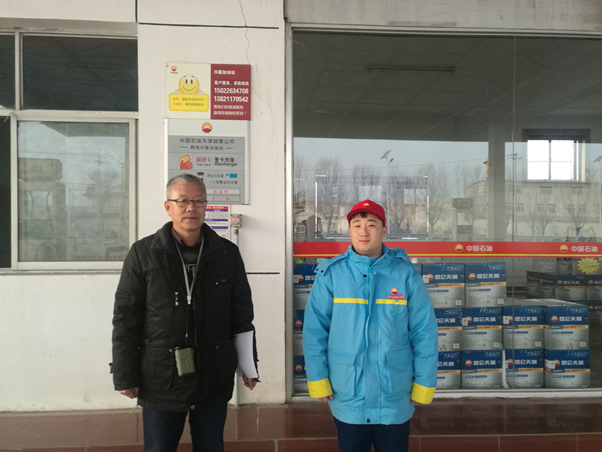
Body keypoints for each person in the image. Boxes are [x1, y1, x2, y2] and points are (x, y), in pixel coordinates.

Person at [111, 173, 258, 452]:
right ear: (168, 207)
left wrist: (249, 365)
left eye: (198, 201)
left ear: (206, 206)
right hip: (160, 377)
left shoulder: (227, 253)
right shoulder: (143, 253)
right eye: (182, 201)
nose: (191, 208)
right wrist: (124, 374)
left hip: (212, 373)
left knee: (211, 446)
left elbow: (241, 314)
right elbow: (126, 317)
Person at [302, 199, 438, 452]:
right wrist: (318, 379)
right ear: (349, 231)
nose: (363, 231)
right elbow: (314, 332)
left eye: (371, 225)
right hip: (348, 393)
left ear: (384, 230)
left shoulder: (405, 274)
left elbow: (424, 332)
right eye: (356, 225)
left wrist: (424, 384)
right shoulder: (331, 274)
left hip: (394, 393)